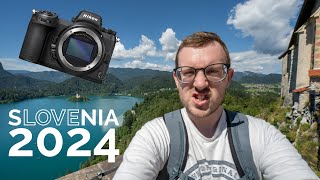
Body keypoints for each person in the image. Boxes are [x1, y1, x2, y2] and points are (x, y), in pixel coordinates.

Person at [113, 32, 319, 180]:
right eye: (188, 72)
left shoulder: (262, 135)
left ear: (228, 78)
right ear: (177, 79)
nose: (200, 83)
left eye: (212, 71)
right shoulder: (155, 135)